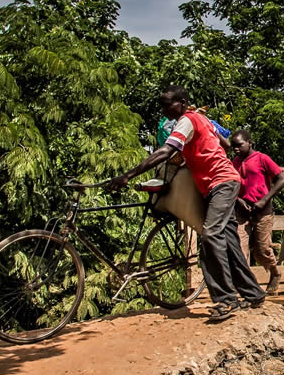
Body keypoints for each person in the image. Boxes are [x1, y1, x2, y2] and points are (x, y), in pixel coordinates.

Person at [109, 86, 264, 320]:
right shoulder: (203, 119)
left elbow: (165, 151)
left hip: (220, 183)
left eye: (166, 104)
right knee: (229, 239)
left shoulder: (187, 121)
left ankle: (226, 300)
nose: (163, 110)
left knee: (210, 235)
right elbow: (225, 144)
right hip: (223, 182)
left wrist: (128, 175)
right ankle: (253, 293)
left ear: (181, 103)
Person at [229, 130, 284, 293]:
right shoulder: (235, 163)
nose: (236, 149)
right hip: (242, 210)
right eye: (233, 147)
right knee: (240, 248)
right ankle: (246, 287)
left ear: (249, 142)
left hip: (262, 210)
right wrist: (238, 200)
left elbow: (282, 179)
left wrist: (264, 199)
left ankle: (275, 273)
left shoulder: (262, 158)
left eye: (239, 145)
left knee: (261, 250)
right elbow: (232, 184)